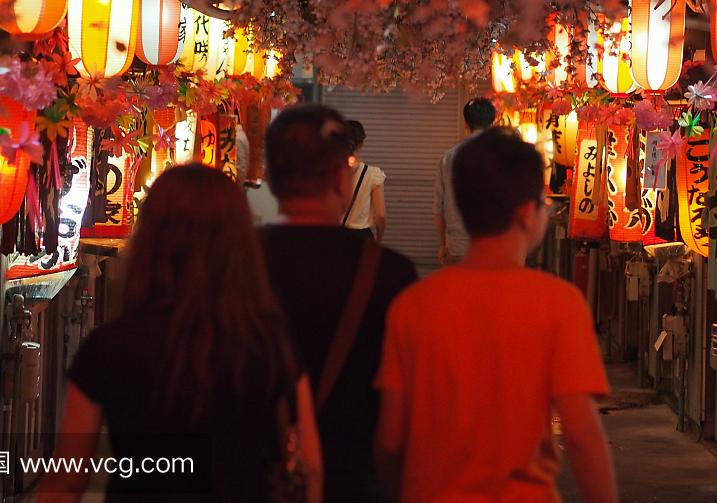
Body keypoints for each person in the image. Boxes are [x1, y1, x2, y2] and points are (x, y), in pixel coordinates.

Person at [38, 164, 323, 503]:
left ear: (150, 240)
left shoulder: (110, 346)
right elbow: (310, 466)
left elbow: (67, 481)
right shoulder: (270, 344)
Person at [375, 128, 618, 503]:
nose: (548, 207)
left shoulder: (413, 306)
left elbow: (390, 440)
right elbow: (582, 435)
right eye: (543, 200)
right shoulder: (558, 304)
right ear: (525, 213)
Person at [260, 105, 418, 503]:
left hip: (253, 474)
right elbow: (399, 406)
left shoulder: (232, 260)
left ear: (270, 180)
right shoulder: (389, 273)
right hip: (356, 473)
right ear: (339, 178)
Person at [434, 97, 496, 265]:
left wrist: (442, 245)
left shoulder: (448, 159)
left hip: (459, 247)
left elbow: (439, 209)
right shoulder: (503, 157)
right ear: (492, 122)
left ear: (465, 123)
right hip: (496, 248)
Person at [343, 120, 387, 242]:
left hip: (336, 236)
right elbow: (381, 216)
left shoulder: (330, 171)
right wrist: (379, 239)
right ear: (362, 143)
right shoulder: (372, 174)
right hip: (362, 238)